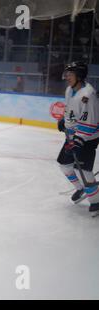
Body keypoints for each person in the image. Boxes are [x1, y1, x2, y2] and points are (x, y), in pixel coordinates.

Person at [56, 61, 99, 217]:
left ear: (79, 76)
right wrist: (64, 120)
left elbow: (90, 122)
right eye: (67, 73)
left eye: (70, 74)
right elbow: (70, 109)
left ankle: (96, 201)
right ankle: (81, 188)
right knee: (65, 166)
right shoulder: (70, 90)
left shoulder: (88, 95)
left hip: (87, 138)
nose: (67, 77)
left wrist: (79, 140)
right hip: (72, 136)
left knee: (84, 171)